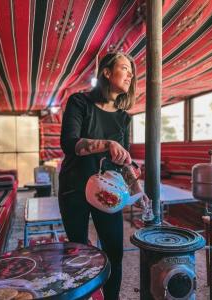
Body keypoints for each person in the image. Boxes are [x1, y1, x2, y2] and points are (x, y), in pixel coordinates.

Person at [59, 51, 147, 300]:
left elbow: (123, 161)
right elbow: (69, 144)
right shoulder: (79, 102)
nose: (129, 75)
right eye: (124, 69)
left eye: (131, 71)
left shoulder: (123, 118)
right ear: (107, 72)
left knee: (114, 252)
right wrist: (107, 144)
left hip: (108, 192)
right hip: (74, 189)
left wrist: (137, 190)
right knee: (78, 252)